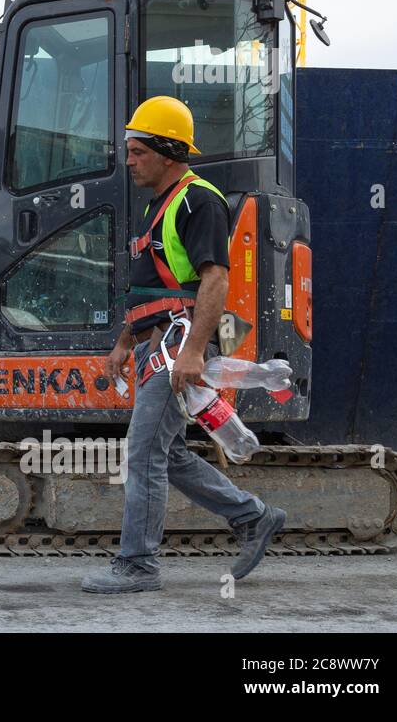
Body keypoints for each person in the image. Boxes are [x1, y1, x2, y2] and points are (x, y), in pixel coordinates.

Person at [81, 95, 286, 593]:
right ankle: (253, 517)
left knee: (143, 453)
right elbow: (154, 285)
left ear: (169, 152)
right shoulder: (162, 205)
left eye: (137, 151)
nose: (128, 161)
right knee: (165, 454)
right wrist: (125, 342)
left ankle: (138, 566)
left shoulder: (199, 200)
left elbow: (214, 280)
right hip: (159, 345)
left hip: (179, 346)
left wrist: (194, 351)